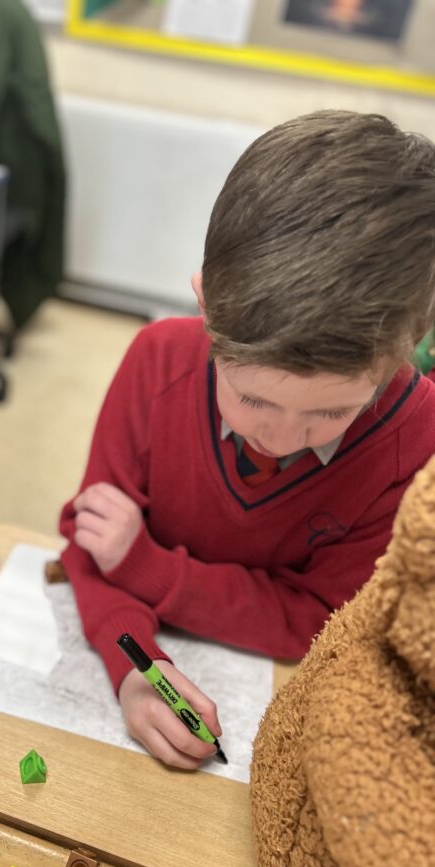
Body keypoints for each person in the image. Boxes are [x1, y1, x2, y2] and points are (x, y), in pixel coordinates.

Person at [59, 110, 435, 770]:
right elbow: (91, 545)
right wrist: (134, 663)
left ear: (409, 351)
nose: (281, 438)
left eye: (332, 413)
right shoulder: (156, 360)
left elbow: (320, 619)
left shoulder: (416, 434)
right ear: (205, 306)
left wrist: (144, 566)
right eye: (253, 398)